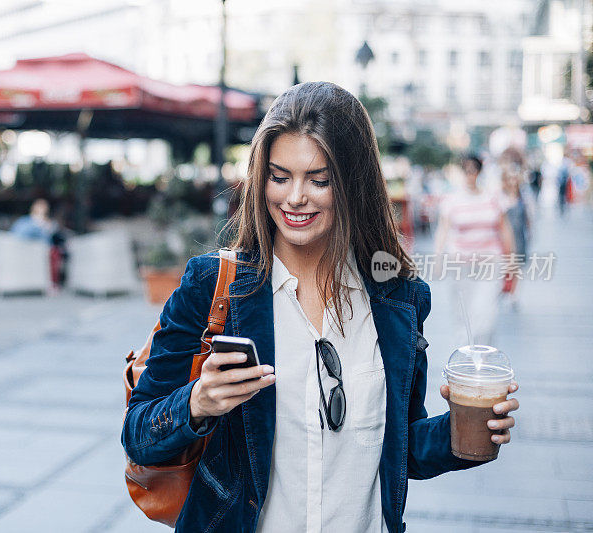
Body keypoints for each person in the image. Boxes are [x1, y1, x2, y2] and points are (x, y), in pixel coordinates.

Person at [122, 83, 519, 532]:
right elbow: (139, 435)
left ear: (353, 183)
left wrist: (460, 434)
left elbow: (399, 446)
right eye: (279, 176)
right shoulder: (213, 287)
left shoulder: (399, 298)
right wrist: (197, 403)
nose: (294, 197)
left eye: (319, 180)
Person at [433, 154, 516, 347]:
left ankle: (484, 353)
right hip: (461, 267)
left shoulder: (493, 198)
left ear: (479, 172)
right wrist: (438, 257)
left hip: (490, 265)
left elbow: (505, 229)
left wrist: (511, 259)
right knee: (463, 315)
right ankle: (467, 359)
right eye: (466, 170)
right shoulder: (451, 200)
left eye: (474, 170)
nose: (470, 175)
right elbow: (443, 230)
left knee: (486, 316)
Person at [500, 167, 532, 308]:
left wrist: (529, 232)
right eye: (510, 178)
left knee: (517, 266)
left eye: (515, 178)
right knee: (504, 265)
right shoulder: (500, 197)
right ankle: (503, 289)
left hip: (519, 237)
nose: (512, 181)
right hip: (502, 238)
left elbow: (528, 218)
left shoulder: (523, 197)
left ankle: (513, 293)